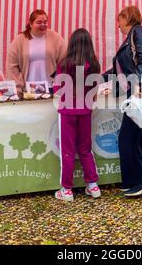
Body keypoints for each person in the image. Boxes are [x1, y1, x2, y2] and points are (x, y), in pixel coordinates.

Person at [102, 6, 142, 197]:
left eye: (119, 20)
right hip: (138, 91)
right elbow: (121, 69)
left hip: (141, 92)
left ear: (127, 18)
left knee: (127, 138)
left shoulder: (138, 32)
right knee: (138, 138)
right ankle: (136, 180)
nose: (117, 25)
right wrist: (98, 78)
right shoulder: (131, 38)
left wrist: (138, 86)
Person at [53, 28, 101, 202]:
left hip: (67, 111)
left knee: (68, 151)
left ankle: (66, 189)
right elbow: (95, 90)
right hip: (86, 110)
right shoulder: (94, 64)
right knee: (85, 149)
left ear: (71, 43)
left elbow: (57, 90)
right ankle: (93, 185)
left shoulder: (64, 63)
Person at [6, 9, 67, 94]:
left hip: (51, 87)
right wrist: (18, 86)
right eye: (39, 22)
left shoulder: (55, 37)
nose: (43, 25)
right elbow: (12, 66)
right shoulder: (19, 40)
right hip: (28, 88)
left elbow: (64, 61)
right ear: (31, 24)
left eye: (45, 22)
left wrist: (58, 80)